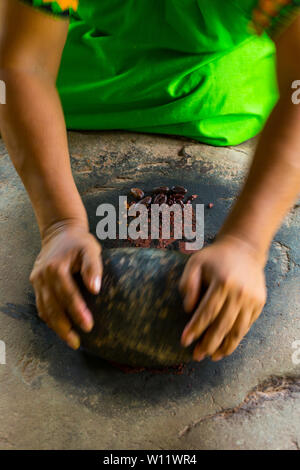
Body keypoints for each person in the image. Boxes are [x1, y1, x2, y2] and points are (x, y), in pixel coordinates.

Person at [0, 0, 299, 362]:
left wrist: (247, 243)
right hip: (84, 68)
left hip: (214, 81)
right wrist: (59, 224)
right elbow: (22, 66)